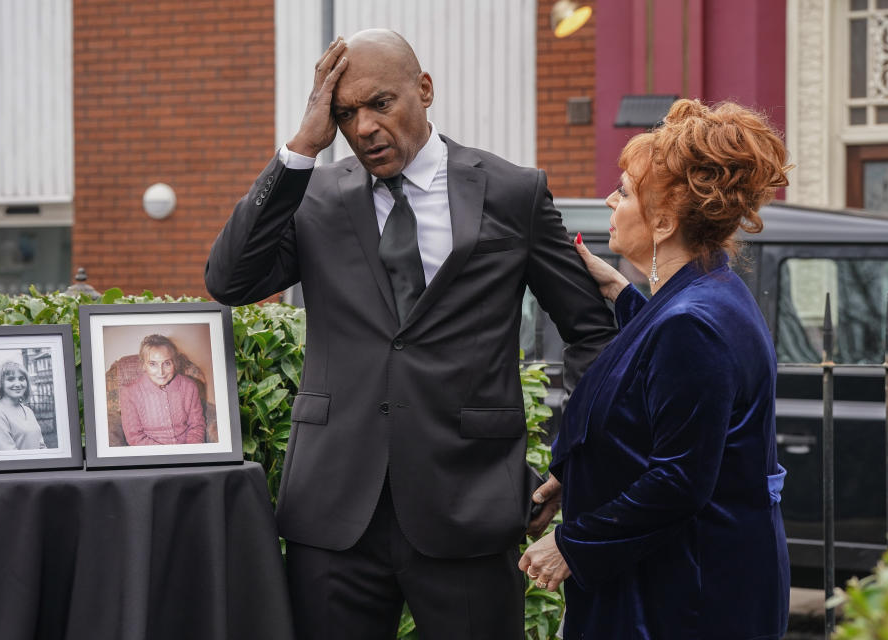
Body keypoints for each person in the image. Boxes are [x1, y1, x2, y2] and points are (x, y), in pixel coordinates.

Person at [205, 29, 616, 640]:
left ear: (424, 90)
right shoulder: (314, 196)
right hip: (334, 512)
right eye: (345, 114)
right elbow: (230, 279)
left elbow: (591, 331)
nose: (364, 126)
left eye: (380, 103)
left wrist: (573, 455)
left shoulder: (512, 193)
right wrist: (299, 149)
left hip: (469, 502)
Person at [519, 98, 792, 639]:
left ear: (664, 221)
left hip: (685, 597)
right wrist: (619, 291)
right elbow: (657, 374)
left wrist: (574, 545)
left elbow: (680, 480)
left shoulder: (694, 322)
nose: (608, 200)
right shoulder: (708, 291)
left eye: (623, 191)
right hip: (688, 579)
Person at [119, 334, 206, 445]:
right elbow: (134, 437)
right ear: (143, 365)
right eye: (153, 364)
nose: (161, 372)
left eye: (167, 363)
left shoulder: (189, 386)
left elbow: (197, 425)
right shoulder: (129, 393)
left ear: (175, 363)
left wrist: (189, 453)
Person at [0, 360, 47, 451]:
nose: (18, 384)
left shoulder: (28, 410)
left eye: (21, 379)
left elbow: (41, 446)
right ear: (0, 383)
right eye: (11, 379)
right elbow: (9, 455)